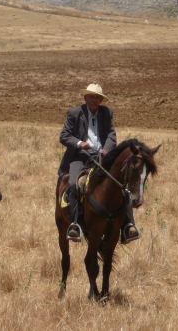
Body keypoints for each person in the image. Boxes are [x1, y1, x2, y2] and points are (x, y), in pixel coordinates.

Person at [58, 84, 138, 244]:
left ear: (101, 100)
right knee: (74, 185)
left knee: (121, 184)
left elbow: (111, 135)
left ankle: (128, 225)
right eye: (91, 97)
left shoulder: (106, 113)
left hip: (102, 158)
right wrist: (80, 143)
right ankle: (75, 224)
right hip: (79, 157)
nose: (94, 100)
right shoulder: (74, 113)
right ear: (85, 98)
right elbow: (64, 136)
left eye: (97, 97)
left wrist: (107, 149)